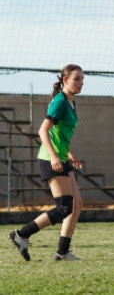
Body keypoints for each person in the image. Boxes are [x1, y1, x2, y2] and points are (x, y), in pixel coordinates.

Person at [8, 64, 85, 261]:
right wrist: (53, 157)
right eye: (76, 79)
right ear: (65, 80)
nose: (81, 82)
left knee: (77, 204)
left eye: (82, 79)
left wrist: (70, 154)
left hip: (61, 157)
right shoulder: (60, 101)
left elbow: (59, 134)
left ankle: (62, 252)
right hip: (50, 158)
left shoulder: (71, 102)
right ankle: (21, 235)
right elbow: (43, 131)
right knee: (64, 207)